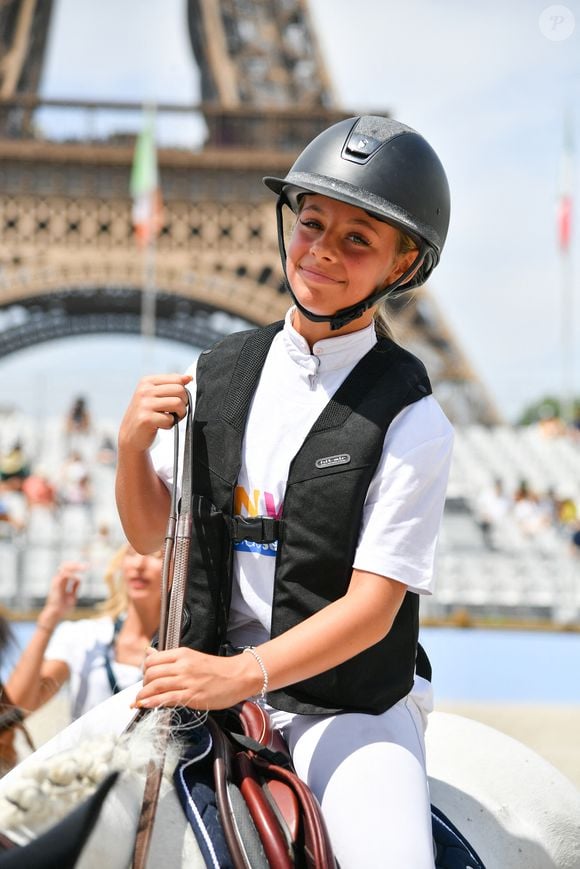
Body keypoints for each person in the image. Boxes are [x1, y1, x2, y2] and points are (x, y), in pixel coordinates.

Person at [116, 115, 453, 868]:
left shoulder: (414, 418)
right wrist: (130, 448)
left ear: (403, 264)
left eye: (358, 238)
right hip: (199, 678)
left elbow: (372, 610)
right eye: (312, 222)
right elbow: (148, 535)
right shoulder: (216, 371)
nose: (323, 248)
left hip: (345, 705)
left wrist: (239, 675)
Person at [5, 544, 162, 722]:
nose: (139, 565)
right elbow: (15, 708)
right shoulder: (83, 636)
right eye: (132, 553)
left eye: (156, 556)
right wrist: (49, 617)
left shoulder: (180, 646)